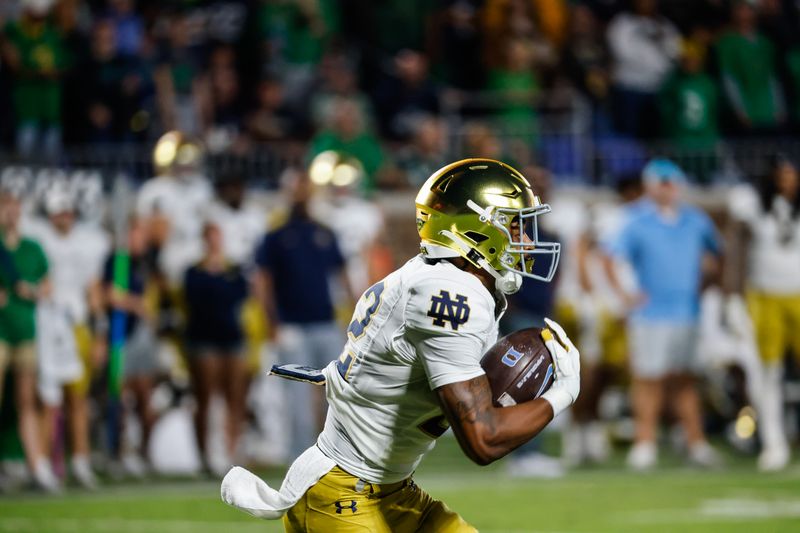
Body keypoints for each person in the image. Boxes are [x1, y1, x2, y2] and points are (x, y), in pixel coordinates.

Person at [223, 159, 580, 532]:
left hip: (390, 489)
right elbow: (483, 440)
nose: (525, 240)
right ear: (474, 230)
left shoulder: (446, 281)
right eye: (514, 225)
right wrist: (563, 393)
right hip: (342, 493)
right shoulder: (451, 295)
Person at [606, 159, 722, 470]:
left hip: (687, 310)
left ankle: (696, 443)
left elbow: (718, 254)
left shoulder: (695, 220)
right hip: (650, 312)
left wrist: (706, 286)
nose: (667, 189)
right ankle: (645, 443)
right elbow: (610, 256)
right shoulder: (637, 220)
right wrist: (625, 295)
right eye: (662, 183)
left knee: (685, 380)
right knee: (648, 379)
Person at [24, 187, 109, 489]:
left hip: (76, 324)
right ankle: (44, 465)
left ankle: (81, 461)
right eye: (57, 212)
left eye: (67, 211)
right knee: (47, 399)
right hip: (46, 323)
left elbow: (94, 290)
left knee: (78, 399)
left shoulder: (88, 242)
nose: (63, 217)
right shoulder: (38, 239)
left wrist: (100, 333)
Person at [727, 156, 800, 471]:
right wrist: (733, 296)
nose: (787, 181)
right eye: (782, 174)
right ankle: (774, 441)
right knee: (766, 373)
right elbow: (736, 249)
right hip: (765, 295)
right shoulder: (753, 205)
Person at [0, 191, 58, 492]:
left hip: (26, 331)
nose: (10, 213)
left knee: (27, 401)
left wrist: (32, 291)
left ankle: (37, 466)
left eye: (14, 207)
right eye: (4, 207)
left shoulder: (32, 248)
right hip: (1, 330)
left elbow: (48, 288)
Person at [184, 222, 249, 476]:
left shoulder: (233, 269)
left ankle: (232, 451)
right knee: (206, 395)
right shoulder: (194, 271)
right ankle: (207, 453)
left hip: (231, 336)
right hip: (204, 338)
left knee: (235, 395)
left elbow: (240, 295)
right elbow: (198, 299)